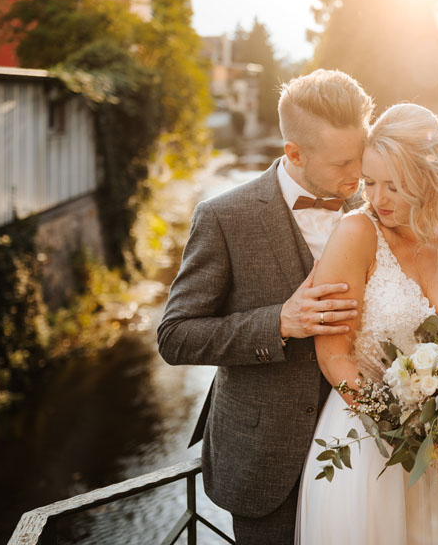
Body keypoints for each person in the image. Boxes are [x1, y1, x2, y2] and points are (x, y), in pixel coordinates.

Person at [157, 69, 374, 545]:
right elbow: (174, 335)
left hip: (367, 453)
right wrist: (277, 323)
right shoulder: (223, 216)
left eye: (362, 154)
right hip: (265, 460)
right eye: (342, 163)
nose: (358, 174)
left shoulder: (379, 209)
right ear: (293, 152)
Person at [296, 103, 438, 544]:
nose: (376, 199)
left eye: (394, 187)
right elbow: (334, 355)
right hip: (367, 453)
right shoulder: (357, 233)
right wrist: (407, 431)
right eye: (369, 182)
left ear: (431, 181)